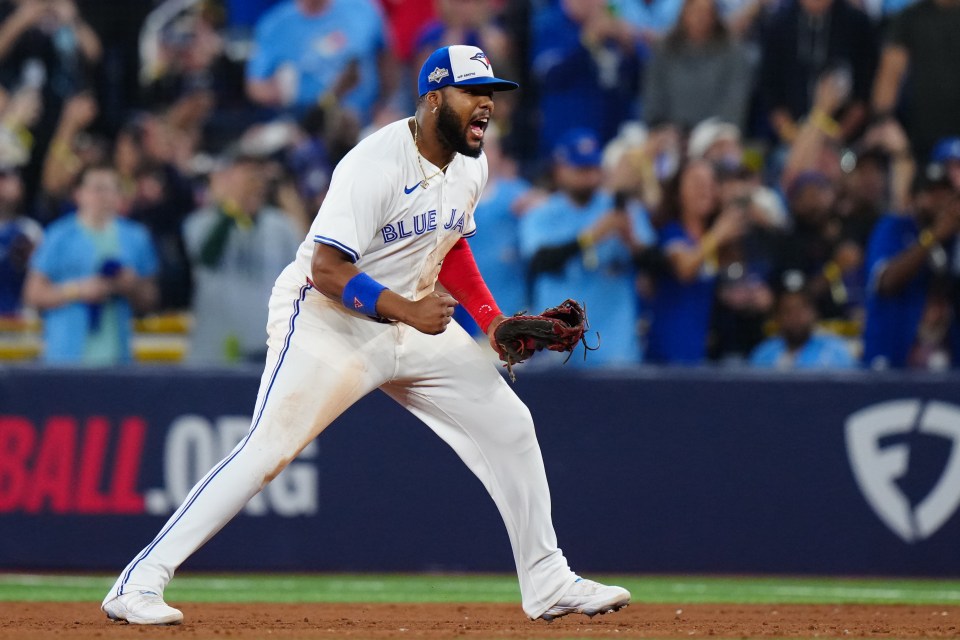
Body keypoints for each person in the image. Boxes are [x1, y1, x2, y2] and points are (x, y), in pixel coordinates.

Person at [100, 44, 630, 625]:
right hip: (330, 319)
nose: (486, 105)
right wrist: (407, 309)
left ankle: (548, 579)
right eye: (472, 93)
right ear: (432, 99)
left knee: (511, 425)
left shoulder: (471, 163)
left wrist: (491, 320)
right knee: (268, 451)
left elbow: (452, 243)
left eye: (492, 95)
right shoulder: (373, 164)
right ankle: (137, 582)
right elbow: (327, 269)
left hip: (414, 318)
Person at [520, 127, 657, 366]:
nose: (589, 176)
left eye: (593, 168)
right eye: (580, 169)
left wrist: (630, 239)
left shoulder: (622, 210)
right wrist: (591, 237)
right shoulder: (542, 213)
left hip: (615, 347)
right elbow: (539, 262)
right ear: (560, 170)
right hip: (557, 351)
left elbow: (654, 263)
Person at [22, 163, 158, 365]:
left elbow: (150, 299)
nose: (102, 196)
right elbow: (33, 294)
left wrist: (131, 286)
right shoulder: (59, 236)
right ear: (79, 194)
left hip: (116, 354)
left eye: (110, 189)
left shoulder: (135, 237)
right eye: (96, 188)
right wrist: (77, 290)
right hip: (66, 354)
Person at [183, 152, 302, 365]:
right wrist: (233, 207)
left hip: (266, 344)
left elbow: (300, 278)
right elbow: (207, 256)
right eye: (243, 178)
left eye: (256, 177)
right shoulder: (199, 223)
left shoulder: (281, 226)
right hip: (213, 347)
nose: (251, 185)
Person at [642, 0, 753, 131]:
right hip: (670, 132)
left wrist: (717, 131)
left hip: (717, 134)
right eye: (695, 12)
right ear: (683, 14)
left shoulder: (732, 51)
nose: (700, 18)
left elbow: (734, 100)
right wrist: (661, 127)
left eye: (706, 13)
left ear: (714, 16)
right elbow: (653, 96)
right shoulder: (665, 49)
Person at [749, 277, 857, 369]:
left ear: (815, 314)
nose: (795, 317)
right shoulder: (763, 354)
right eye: (787, 310)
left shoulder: (836, 353)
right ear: (777, 317)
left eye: (801, 309)